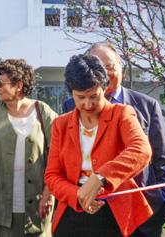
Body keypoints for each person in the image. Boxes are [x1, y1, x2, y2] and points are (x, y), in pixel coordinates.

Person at [62, 42, 165, 237]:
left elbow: (160, 160)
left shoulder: (146, 106)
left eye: (110, 67)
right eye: (99, 68)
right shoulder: (71, 105)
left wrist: (161, 200)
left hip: (139, 211)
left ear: (121, 67)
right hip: (90, 212)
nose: (105, 73)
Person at [45, 54, 153, 237]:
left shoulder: (122, 114)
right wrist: (78, 194)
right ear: (71, 92)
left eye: (94, 96)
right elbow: (52, 175)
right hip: (73, 210)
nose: (88, 104)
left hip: (116, 211)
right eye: (80, 97)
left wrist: (100, 177)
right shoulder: (60, 124)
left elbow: (141, 150)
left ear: (105, 88)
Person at [0, 59, 57, 237]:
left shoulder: (43, 111)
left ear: (19, 85)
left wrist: (48, 193)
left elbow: (57, 156)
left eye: (1, 83)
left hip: (36, 207)